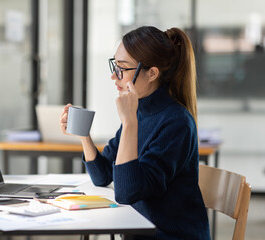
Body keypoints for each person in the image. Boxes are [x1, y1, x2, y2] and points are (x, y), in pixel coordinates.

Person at [60, 26, 210, 240]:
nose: (114, 76)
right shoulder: (140, 111)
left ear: (152, 73)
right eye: (114, 65)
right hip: (140, 233)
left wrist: (129, 123)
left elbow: (127, 192)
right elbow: (102, 176)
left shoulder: (177, 123)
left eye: (122, 68)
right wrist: (84, 135)